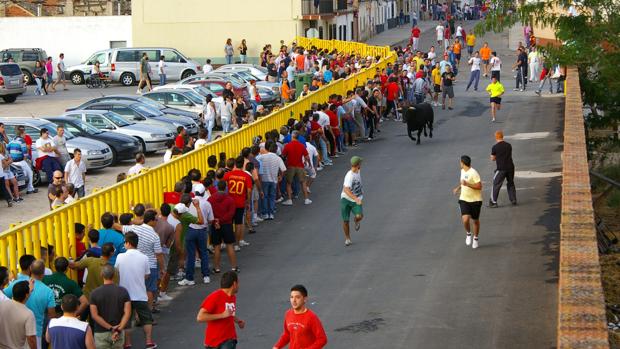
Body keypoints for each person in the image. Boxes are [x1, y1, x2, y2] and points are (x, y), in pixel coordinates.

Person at [114, 231, 158, 349]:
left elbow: (116, 272)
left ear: (128, 243)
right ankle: (149, 342)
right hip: (140, 294)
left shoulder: (120, 257)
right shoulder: (144, 257)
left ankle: (128, 343)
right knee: (146, 319)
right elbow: (147, 275)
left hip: (124, 295)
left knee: (127, 320)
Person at [4, 259, 56, 348]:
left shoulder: (17, 283)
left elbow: (3, 295)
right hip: (36, 333)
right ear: (43, 272)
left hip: (15, 330)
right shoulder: (48, 292)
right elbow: (51, 316)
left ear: (30, 269)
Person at [196, 271, 245, 349]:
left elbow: (229, 314)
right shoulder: (215, 297)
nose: (239, 286)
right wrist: (222, 315)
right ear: (234, 284)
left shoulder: (232, 297)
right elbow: (200, 317)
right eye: (238, 283)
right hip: (213, 341)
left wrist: (238, 321)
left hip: (228, 339)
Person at [89, 264, 132, 349]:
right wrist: (118, 329)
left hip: (101, 332)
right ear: (114, 275)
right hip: (118, 331)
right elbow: (127, 313)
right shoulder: (123, 291)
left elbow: (94, 315)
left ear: (101, 275)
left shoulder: (94, 293)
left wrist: (110, 328)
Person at [272, 285, 327, 349]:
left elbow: (322, 339)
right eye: (291, 297)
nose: (294, 300)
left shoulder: (311, 317)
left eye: (297, 297)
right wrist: (277, 346)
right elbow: (287, 334)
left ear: (305, 299)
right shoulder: (288, 314)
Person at [180, 184, 211, 285]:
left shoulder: (189, 202)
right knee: (204, 253)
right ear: (203, 193)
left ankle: (190, 278)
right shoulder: (207, 203)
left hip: (190, 230)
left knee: (191, 255)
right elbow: (210, 219)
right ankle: (206, 276)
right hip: (202, 231)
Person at [452, 155, 483, 249]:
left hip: (475, 200)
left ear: (463, 163)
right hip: (464, 199)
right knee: (465, 219)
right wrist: (458, 188)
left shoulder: (474, 173)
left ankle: (476, 238)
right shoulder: (462, 171)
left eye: (460, 162)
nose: (459, 164)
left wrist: (468, 184)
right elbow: (463, 183)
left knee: (475, 221)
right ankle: (468, 233)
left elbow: (479, 186)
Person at [223, 156, 253, 251]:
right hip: (240, 202)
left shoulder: (228, 174)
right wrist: (247, 201)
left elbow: (222, 185)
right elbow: (249, 190)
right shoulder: (246, 176)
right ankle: (237, 243)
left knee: (228, 222)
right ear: (243, 165)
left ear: (235, 164)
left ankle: (226, 242)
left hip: (230, 202)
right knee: (239, 223)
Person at [208, 180, 239, 273]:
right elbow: (231, 213)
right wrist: (221, 220)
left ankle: (216, 268)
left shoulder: (211, 199)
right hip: (227, 225)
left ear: (217, 187)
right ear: (225, 188)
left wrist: (215, 221)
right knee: (230, 245)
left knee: (216, 247)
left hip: (215, 225)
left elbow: (209, 212)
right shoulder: (230, 199)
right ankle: (234, 267)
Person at [0, 280, 37, 349]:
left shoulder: (2, 304)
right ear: (27, 295)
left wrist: (28, 290)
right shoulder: (28, 314)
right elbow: (31, 338)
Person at [281, 131, 312, 206]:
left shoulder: (287, 146)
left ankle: (289, 199)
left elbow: (283, 155)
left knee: (289, 183)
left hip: (290, 166)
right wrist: (309, 164)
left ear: (292, 137)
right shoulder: (301, 145)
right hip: (300, 166)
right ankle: (306, 199)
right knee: (303, 182)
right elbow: (307, 157)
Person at [341, 156, 364, 247]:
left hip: (357, 198)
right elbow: (346, 189)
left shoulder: (358, 171)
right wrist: (355, 199)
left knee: (359, 216)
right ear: (357, 165)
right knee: (345, 221)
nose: (361, 165)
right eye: (360, 163)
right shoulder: (349, 176)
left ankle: (356, 221)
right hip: (346, 199)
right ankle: (347, 238)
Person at [490, 131, 517, 207]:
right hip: (510, 167)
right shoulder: (509, 145)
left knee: (496, 183)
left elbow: (492, 158)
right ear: (502, 136)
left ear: (496, 137)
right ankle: (513, 199)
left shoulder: (495, 147)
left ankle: (493, 202)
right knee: (510, 182)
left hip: (501, 168)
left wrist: (496, 157)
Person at [8, 125, 37, 194]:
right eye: (24, 134)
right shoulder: (22, 141)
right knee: (29, 173)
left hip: (12, 162)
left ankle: (20, 190)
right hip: (20, 161)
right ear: (21, 134)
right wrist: (28, 159)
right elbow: (25, 153)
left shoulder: (12, 140)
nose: (25, 135)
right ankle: (30, 189)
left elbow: (8, 149)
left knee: (19, 176)